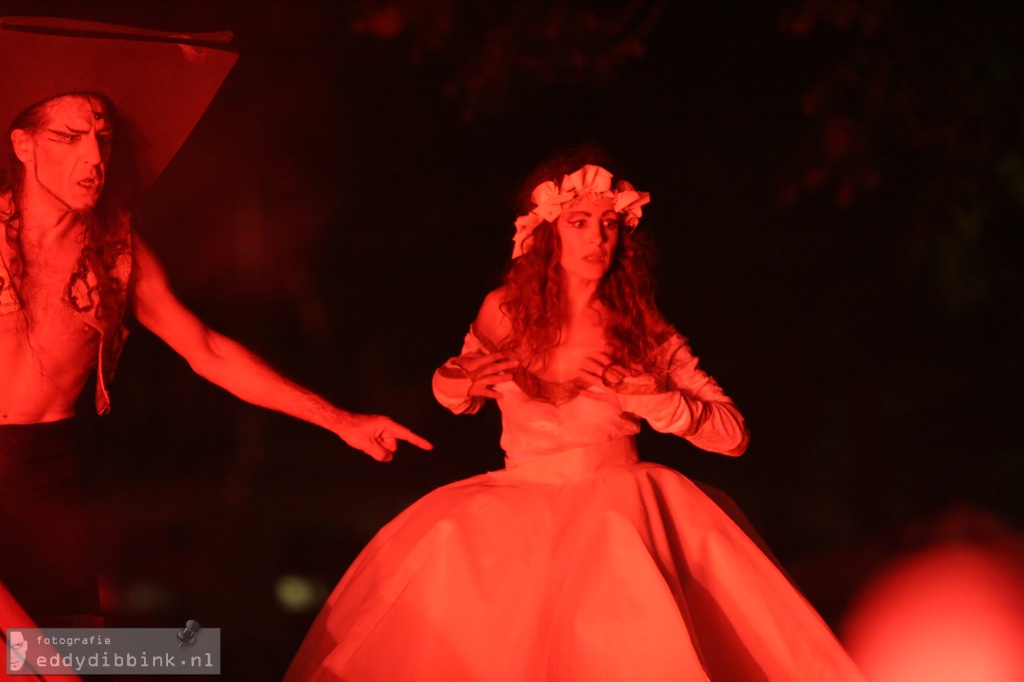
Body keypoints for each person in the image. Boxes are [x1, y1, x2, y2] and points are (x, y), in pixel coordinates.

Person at [284, 158, 865, 680]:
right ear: (547, 232)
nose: (597, 237)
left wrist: (643, 394)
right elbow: (454, 387)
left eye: (608, 223)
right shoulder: (507, 309)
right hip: (517, 508)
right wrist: (461, 380)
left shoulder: (638, 323)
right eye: (579, 222)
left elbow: (731, 435)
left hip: (621, 508)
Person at [0, 18, 430, 629]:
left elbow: (207, 351)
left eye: (102, 137)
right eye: (69, 138)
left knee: (80, 657)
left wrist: (341, 420)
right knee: (25, 658)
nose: (94, 158)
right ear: (23, 145)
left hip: (52, 475)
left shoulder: (117, 252)